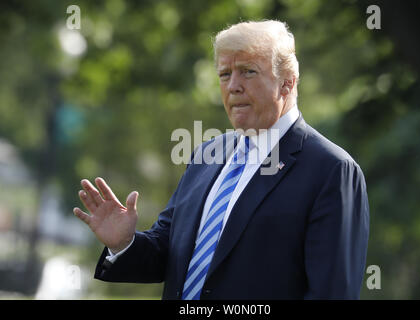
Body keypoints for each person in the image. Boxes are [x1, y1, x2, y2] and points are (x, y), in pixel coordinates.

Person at [73, 20, 370, 300]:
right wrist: (124, 244)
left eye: (248, 72)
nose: (233, 86)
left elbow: (332, 292)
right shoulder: (206, 155)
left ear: (287, 83)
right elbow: (168, 252)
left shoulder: (331, 170)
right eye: (225, 74)